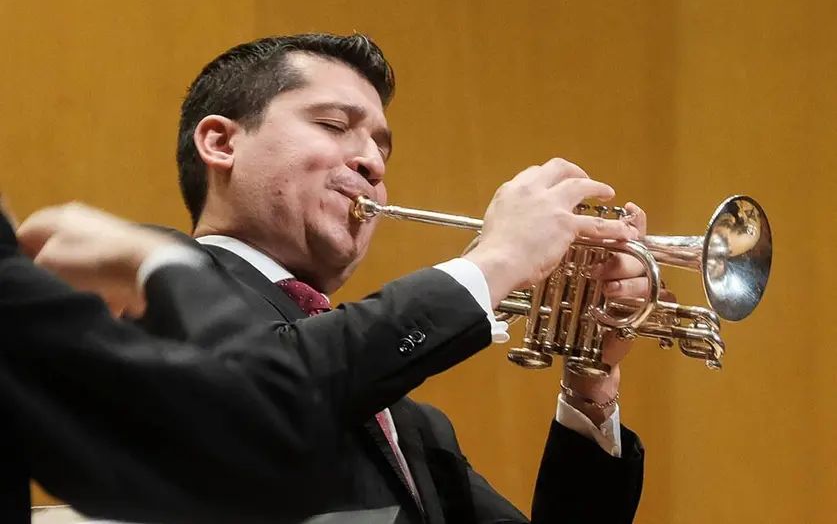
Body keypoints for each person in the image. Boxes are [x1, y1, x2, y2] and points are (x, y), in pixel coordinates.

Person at [3, 33, 652, 524]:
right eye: (334, 126)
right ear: (221, 143)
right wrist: (497, 261)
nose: (371, 162)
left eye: (382, 147)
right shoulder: (147, 286)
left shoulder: (411, 426)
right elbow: (266, 384)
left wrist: (590, 381)